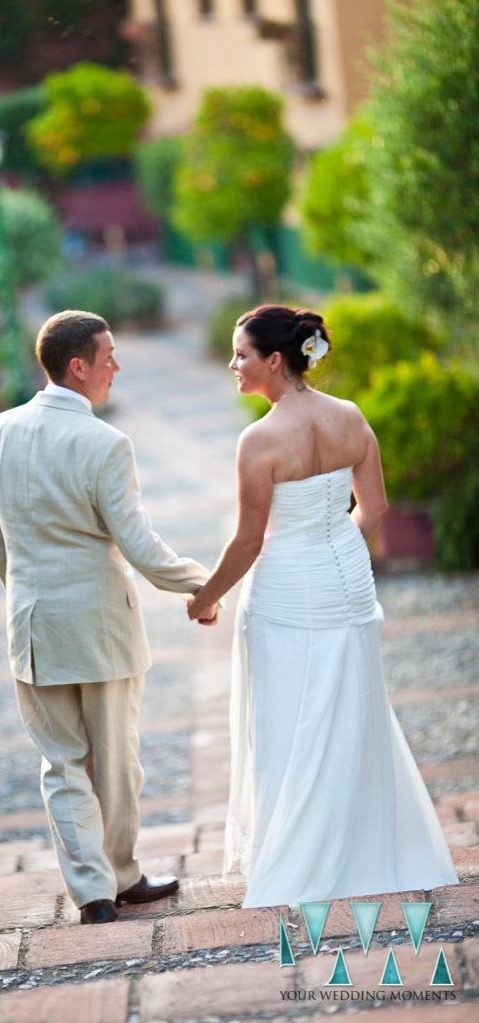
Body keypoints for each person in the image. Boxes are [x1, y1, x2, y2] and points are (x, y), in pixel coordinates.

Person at [186, 305, 458, 908]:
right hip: (348, 583)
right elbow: (376, 509)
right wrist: (334, 543)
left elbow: (249, 540)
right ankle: (369, 845)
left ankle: (300, 854)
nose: (233, 364)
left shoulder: (258, 440)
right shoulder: (350, 417)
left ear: (275, 361)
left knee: (289, 718)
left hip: (285, 590)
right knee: (353, 710)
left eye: (241, 355)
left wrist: (204, 598)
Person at [0, 309, 218, 925]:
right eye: (108, 355)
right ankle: (123, 876)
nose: (117, 366)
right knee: (114, 760)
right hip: (102, 624)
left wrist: (29, 596)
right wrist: (205, 585)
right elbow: (138, 544)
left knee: (60, 763)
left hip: (31, 624)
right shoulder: (105, 443)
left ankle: (93, 894)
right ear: (77, 366)